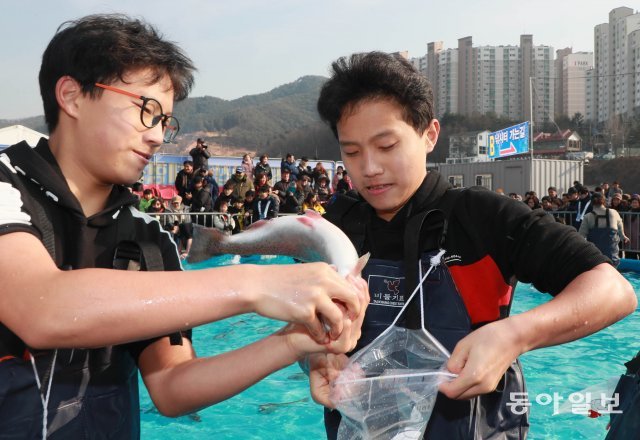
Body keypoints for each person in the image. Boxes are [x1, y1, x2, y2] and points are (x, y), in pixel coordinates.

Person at [0, 15, 367, 439]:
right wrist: (256, 285)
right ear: (72, 95)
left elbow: (173, 388)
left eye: (164, 121)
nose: (157, 136)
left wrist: (290, 343)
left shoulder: (148, 238)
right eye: (146, 110)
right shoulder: (7, 188)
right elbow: (43, 308)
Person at [305, 51, 636, 439]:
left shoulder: (481, 217)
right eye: (352, 152)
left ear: (429, 134)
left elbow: (614, 291)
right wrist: (317, 357)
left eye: (387, 145)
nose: (370, 168)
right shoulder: (336, 228)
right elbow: (308, 328)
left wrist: (515, 335)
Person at [578, 192, 629, 267]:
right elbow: (620, 225)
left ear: (591, 203)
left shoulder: (588, 217)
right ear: (604, 201)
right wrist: (623, 236)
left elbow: (581, 236)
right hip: (612, 256)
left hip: (595, 257)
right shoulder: (613, 213)